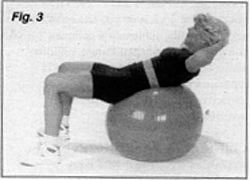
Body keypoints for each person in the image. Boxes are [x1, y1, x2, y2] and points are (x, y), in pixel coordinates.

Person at [20, 13, 230, 166]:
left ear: (205, 39)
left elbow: (204, 57)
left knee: (53, 82)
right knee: (65, 68)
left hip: (121, 86)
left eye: (195, 29)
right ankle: (62, 127)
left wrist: (220, 44)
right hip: (120, 74)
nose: (188, 30)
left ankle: (50, 149)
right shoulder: (183, 55)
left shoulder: (190, 62)